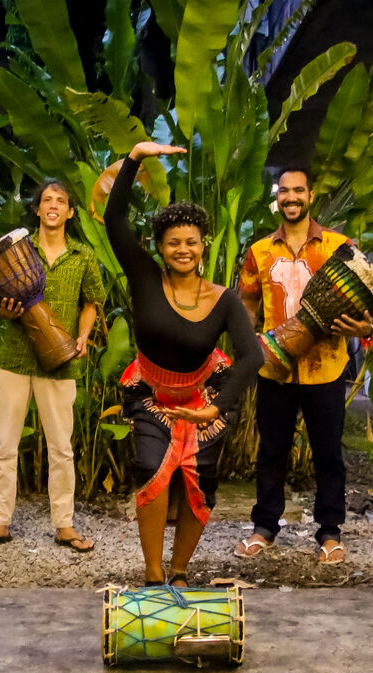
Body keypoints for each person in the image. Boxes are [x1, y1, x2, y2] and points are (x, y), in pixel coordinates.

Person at [105, 142, 263, 587]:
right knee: (152, 467)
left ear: (202, 245)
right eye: (173, 242)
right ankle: (154, 577)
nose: (183, 249)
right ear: (159, 246)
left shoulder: (224, 298)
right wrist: (134, 157)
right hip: (150, 392)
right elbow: (114, 221)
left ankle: (179, 573)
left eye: (191, 242)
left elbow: (252, 355)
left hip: (204, 395)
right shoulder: (144, 276)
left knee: (200, 479)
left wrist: (218, 407)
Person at [234, 167, 373, 564]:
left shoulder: (339, 246)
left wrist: (363, 326)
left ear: (311, 196)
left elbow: (364, 309)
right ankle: (264, 527)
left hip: (325, 366)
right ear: (277, 198)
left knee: (328, 453)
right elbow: (246, 303)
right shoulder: (259, 251)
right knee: (272, 451)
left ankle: (329, 532)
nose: (291, 197)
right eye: (284, 191)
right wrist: (250, 344)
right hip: (274, 368)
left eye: (299, 191)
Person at [0, 180, 105, 552]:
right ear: (37, 209)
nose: (53, 206)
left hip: (60, 363)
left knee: (61, 447)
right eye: (47, 200)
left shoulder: (83, 256)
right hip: (14, 357)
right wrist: (2, 309)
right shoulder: (18, 251)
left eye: (61, 201)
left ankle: (64, 525)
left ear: (70, 212)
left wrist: (81, 337)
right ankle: (0, 522)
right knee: (4, 446)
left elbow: (92, 301)